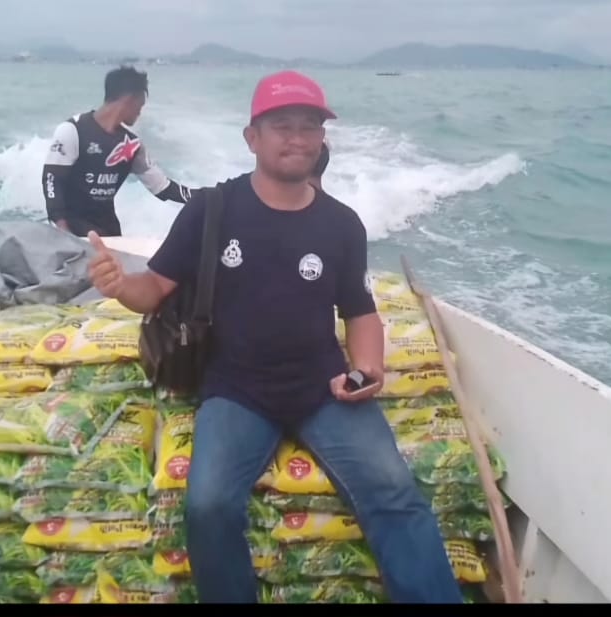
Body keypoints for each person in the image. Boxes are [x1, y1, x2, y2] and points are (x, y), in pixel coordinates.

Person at [85, 70, 462, 604]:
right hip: (236, 390)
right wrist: (120, 284)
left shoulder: (342, 225)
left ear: (322, 140)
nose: (297, 138)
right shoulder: (211, 210)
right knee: (208, 506)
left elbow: (359, 310)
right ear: (252, 138)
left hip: (324, 388)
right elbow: (154, 289)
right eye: (282, 126)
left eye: (309, 127)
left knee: (395, 494)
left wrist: (368, 369)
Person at [41, 65, 198, 237]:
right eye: (140, 106)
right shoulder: (73, 130)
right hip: (73, 230)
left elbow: (162, 188)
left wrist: (204, 197)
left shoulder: (132, 145)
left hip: (109, 231)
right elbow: (52, 180)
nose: (139, 113)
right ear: (129, 99)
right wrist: (63, 231)